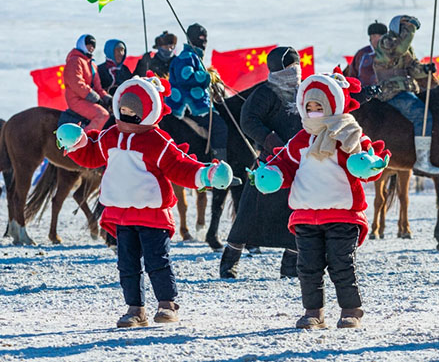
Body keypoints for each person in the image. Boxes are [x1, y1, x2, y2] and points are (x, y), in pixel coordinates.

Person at [55, 76, 234, 328]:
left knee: (157, 261)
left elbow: (179, 166)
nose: (127, 114)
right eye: (124, 109)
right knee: (126, 264)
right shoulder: (110, 136)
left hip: (152, 214)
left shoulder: (157, 141)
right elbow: (92, 155)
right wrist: (77, 144)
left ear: (147, 111)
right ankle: (135, 309)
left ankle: (167, 304)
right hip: (121, 213)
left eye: (133, 111)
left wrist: (205, 174)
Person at [249, 69, 390, 329]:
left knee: (341, 264)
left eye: (319, 105)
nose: (314, 110)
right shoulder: (300, 139)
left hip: (342, 214)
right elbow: (285, 165)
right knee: (308, 267)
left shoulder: (349, 136)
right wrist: (272, 173)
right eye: (309, 106)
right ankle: (313, 312)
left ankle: (351, 310)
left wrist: (369, 164)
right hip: (305, 215)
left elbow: (367, 164)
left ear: (332, 104)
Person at [220, 46, 304, 279]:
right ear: (278, 68)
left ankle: (290, 265)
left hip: (297, 163)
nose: (295, 70)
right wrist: (269, 139)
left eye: (296, 65)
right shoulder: (265, 93)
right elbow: (249, 120)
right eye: (289, 66)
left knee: (297, 212)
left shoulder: (304, 90)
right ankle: (229, 262)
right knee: (248, 212)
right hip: (271, 162)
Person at [371, 15, 439, 176]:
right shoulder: (386, 42)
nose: (409, 31)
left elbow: (413, 68)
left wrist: (425, 70)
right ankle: (422, 161)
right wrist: (411, 28)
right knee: (422, 116)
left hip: (407, 89)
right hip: (391, 91)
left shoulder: (407, 49)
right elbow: (398, 50)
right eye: (406, 28)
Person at [166, 23, 229, 163]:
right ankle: (219, 167)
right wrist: (207, 76)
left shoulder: (195, 57)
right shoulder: (187, 57)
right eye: (201, 38)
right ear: (192, 38)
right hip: (189, 106)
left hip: (198, 103)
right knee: (220, 128)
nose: (204, 42)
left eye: (206, 38)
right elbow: (185, 78)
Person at [63, 34, 112, 131]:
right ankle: (84, 141)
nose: (91, 47)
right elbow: (76, 83)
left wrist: (107, 98)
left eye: (93, 45)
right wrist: (92, 96)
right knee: (102, 115)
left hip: (89, 99)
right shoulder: (75, 61)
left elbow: (98, 87)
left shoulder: (92, 64)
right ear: (81, 44)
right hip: (76, 99)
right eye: (88, 44)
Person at [344, 20, 387, 85]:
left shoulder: (392, 52)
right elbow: (352, 75)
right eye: (373, 36)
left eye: (379, 36)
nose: (376, 40)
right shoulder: (362, 53)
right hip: (363, 91)